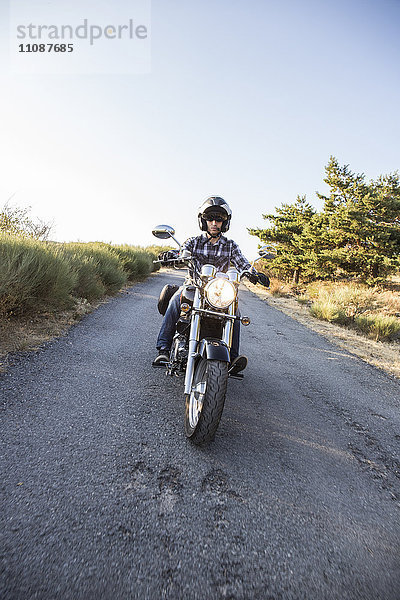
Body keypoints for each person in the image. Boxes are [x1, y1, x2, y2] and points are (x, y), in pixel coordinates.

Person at [153, 196, 269, 374]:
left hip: (219, 293)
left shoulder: (230, 246)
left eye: (219, 219)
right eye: (210, 218)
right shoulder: (194, 242)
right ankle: (164, 349)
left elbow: (243, 264)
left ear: (225, 222)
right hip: (194, 288)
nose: (214, 223)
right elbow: (182, 251)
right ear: (203, 220)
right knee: (176, 299)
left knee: (235, 310)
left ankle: (232, 356)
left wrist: (255, 274)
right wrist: (170, 255)